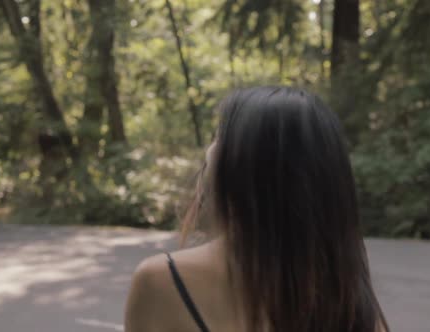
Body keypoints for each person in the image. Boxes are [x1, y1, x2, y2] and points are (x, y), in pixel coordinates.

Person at [124, 86, 389, 332]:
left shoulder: (162, 282)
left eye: (218, 136)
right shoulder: (353, 303)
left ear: (239, 165)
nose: (210, 149)